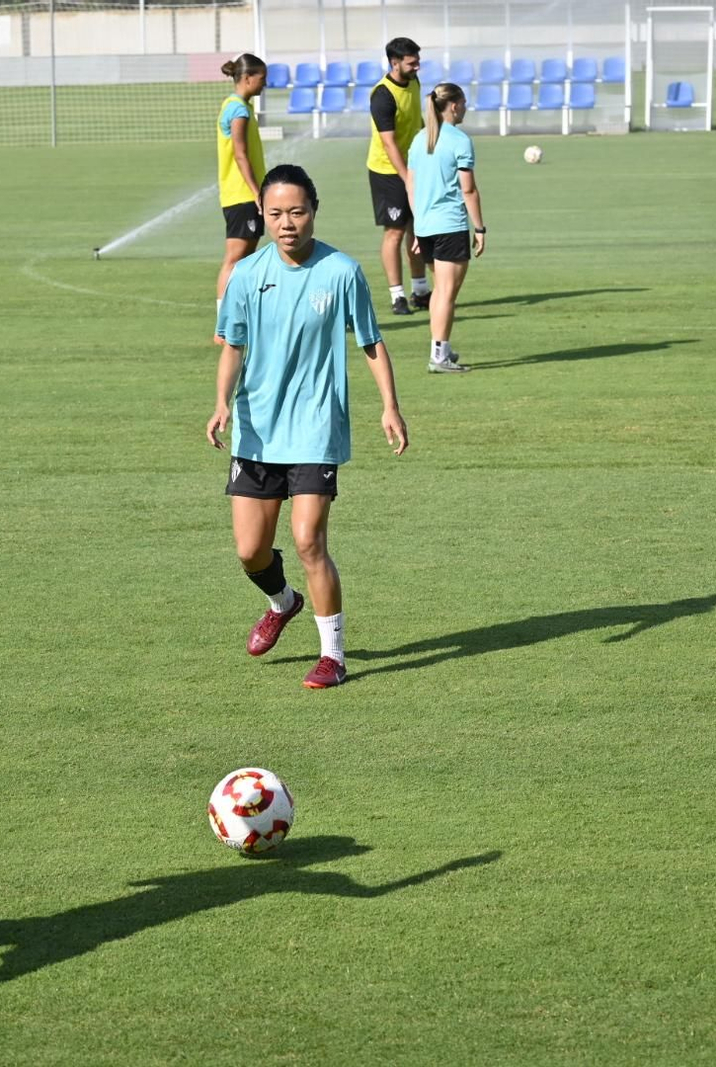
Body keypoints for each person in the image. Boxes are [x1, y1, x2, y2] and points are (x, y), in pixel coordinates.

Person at [208, 164, 409, 689]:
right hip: (257, 429)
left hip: (317, 428)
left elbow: (370, 342)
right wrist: (221, 402)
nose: (287, 222)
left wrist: (390, 405)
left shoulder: (341, 271)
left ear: (313, 212)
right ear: (262, 215)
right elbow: (232, 344)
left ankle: (332, 656)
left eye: (297, 211)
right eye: (275, 213)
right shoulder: (247, 275)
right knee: (251, 551)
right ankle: (283, 602)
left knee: (307, 541)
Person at [406, 82, 484, 373]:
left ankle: (443, 349)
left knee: (441, 291)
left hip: (425, 228)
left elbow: (410, 184)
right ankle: (438, 356)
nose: (465, 107)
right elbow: (469, 190)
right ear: (454, 105)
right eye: (463, 102)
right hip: (450, 226)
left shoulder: (418, 139)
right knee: (447, 293)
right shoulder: (459, 140)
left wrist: (419, 223)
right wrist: (480, 228)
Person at [366, 37, 431, 316]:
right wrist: (406, 178)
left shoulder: (414, 83)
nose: (417, 67)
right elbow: (389, 143)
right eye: (412, 62)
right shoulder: (382, 95)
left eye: (418, 61)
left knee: (417, 229)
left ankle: (420, 290)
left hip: (413, 167)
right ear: (395, 63)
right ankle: (397, 296)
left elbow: (418, 122)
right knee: (394, 231)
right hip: (387, 172)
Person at [214, 53, 269, 343]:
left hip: (241, 195)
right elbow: (240, 153)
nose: (265, 85)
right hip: (242, 196)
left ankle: (236, 320)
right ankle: (223, 328)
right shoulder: (239, 111)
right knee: (235, 259)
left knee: (243, 260)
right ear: (248, 78)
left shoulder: (236, 105)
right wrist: (257, 192)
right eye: (262, 79)